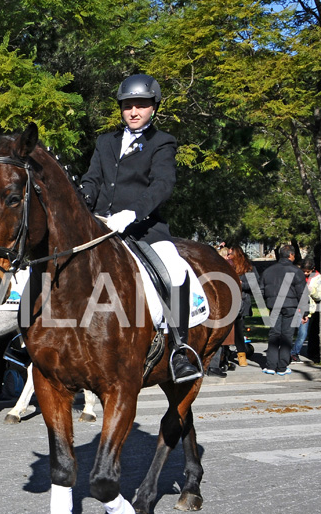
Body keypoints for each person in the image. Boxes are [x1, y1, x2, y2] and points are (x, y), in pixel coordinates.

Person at [79, 73, 200, 381]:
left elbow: (162, 185)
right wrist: (84, 197)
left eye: (141, 106)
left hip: (144, 229)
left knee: (175, 271)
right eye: (128, 105)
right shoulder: (105, 141)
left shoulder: (162, 142)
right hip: (101, 225)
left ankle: (180, 350)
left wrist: (132, 213)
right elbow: (92, 179)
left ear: (153, 108)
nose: (133, 112)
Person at [260, 244, 307, 375]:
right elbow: (302, 293)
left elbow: (261, 290)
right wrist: (305, 312)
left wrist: (268, 301)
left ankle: (270, 365)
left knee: (274, 334)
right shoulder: (296, 271)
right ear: (291, 255)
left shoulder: (268, 271)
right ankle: (282, 366)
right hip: (290, 305)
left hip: (274, 305)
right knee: (287, 335)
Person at [225, 244, 259, 367]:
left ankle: (241, 355)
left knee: (239, 330)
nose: (228, 256)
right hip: (227, 302)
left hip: (241, 302)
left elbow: (254, 286)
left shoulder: (247, 268)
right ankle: (225, 354)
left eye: (230, 254)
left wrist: (241, 284)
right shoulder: (227, 266)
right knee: (225, 331)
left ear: (237, 255)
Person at [291, 258, 321, 363]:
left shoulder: (317, 278)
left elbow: (319, 296)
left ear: (312, 269)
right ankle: (285, 352)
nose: (305, 273)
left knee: (303, 334)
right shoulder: (296, 275)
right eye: (304, 271)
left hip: (308, 309)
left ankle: (294, 353)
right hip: (295, 307)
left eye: (308, 271)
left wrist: (311, 291)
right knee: (290, 332)